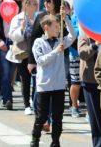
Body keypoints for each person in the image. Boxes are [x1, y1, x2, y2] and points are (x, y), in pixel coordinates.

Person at [30, 12, 76, 147]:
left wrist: (66, 19)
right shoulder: (38, 42)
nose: (58, 29)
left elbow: (73, 36)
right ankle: (35, 138)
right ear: (46, 27)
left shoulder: (60, 40)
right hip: (44, 86)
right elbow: (41, 61)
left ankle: (55, 141)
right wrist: (56, 51)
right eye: (56, 26)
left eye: (59, 26)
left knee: (57, 118)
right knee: (41, 117)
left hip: (59, 86)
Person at [7, 0, 38, 115]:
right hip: (23, 53)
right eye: (33, 3)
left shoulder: (37, 18)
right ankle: (26, 105)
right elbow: (12, 36)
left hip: (35, 53)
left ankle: (33, 100)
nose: (36, 6)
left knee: (36, 80)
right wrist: (21, 29)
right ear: (27, 5)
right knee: (25, 80)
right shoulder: (18, 19)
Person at [78, 33, 101, 147]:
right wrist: (95, 45)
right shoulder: (84, 36)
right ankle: (99, 144)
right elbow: (82, 54)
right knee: (96, 118)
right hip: (90, 81)